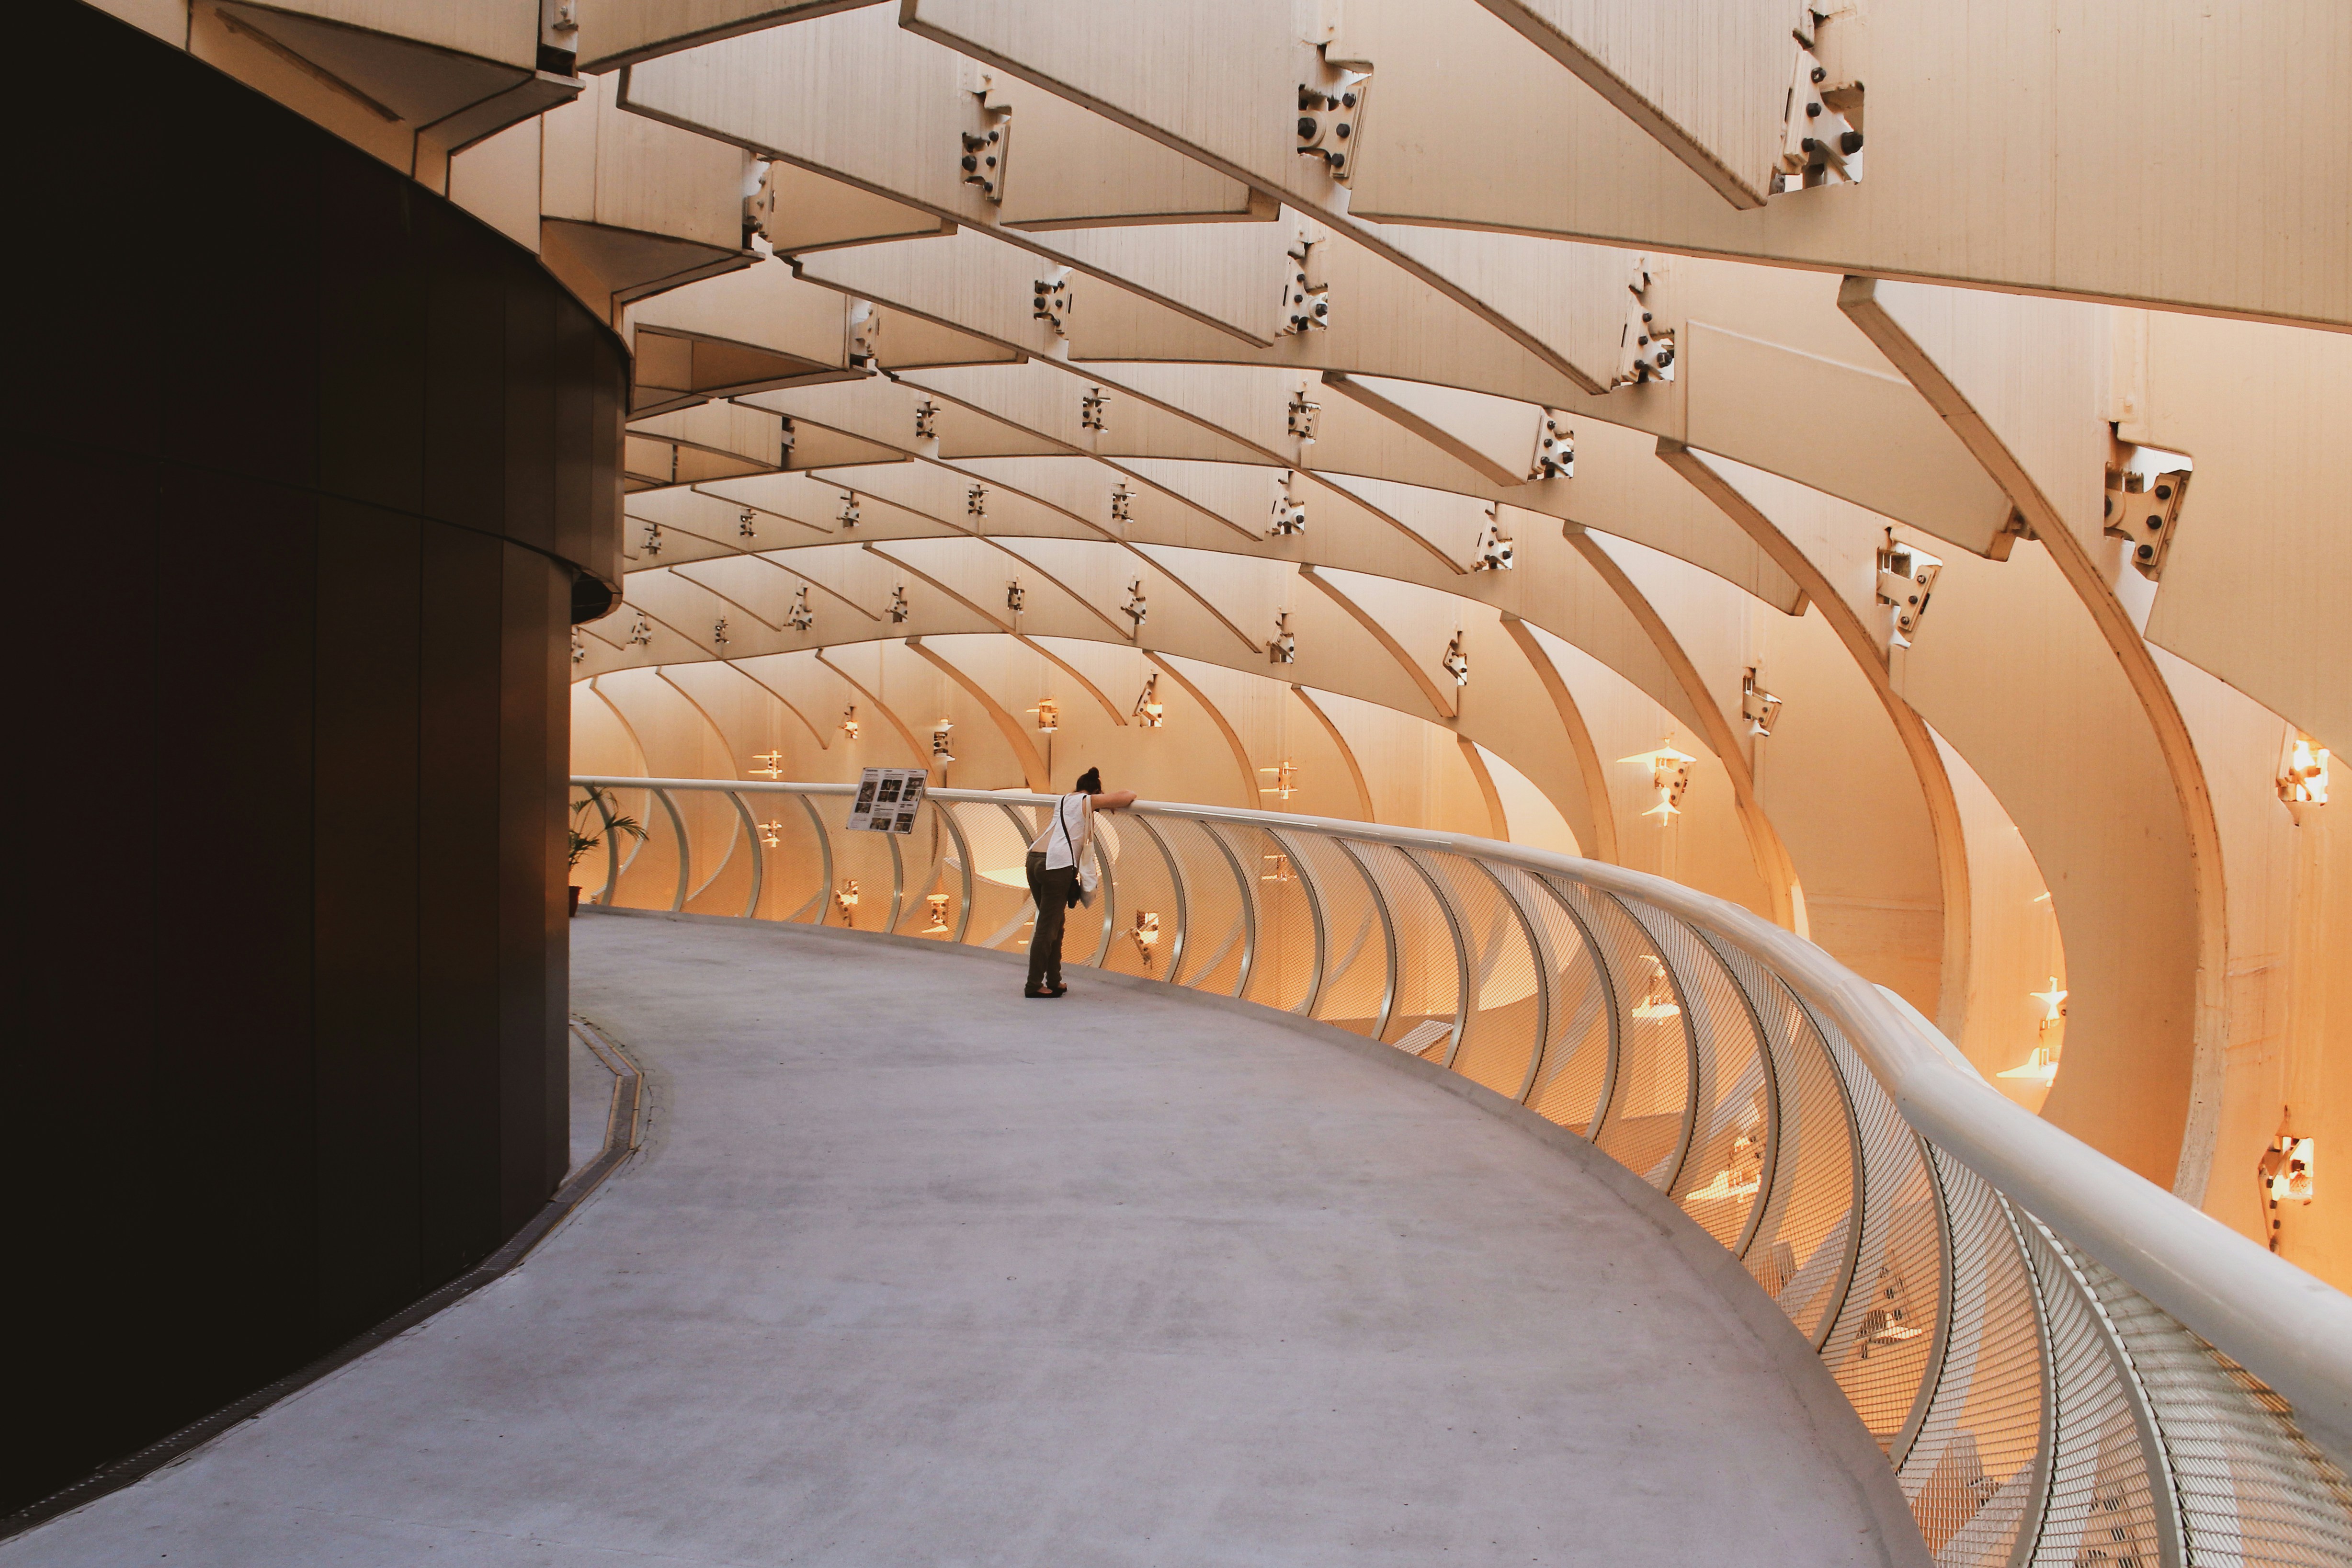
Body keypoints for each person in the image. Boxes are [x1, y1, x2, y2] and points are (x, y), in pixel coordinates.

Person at [1023, 767, 1136, 998]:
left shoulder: (1065, 799)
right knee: (1047, 928)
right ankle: (1033, 985)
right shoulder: (1086, 800)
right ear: (1095, 791)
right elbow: (1128, 795)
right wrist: (1102, 801)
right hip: (1056, 865)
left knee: (1055, 924)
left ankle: (1054, 980)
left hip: (1034, 858)